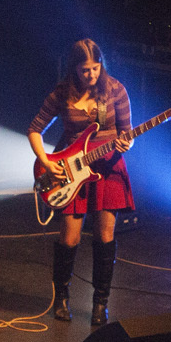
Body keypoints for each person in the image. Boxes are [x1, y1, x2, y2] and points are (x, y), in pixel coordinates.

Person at [28, 38, 133, 326]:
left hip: (108, 169)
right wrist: (47, 161)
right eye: (85, 70)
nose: (91, 75)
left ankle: (100, 303)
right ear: (74, 68)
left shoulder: (115, 91)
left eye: (96, 68)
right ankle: (61, 297)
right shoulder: (62, 93)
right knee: (69, 237)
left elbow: (127, 133)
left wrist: (126, 144)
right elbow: (35, 129)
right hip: (71, 170)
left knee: (105, 235)